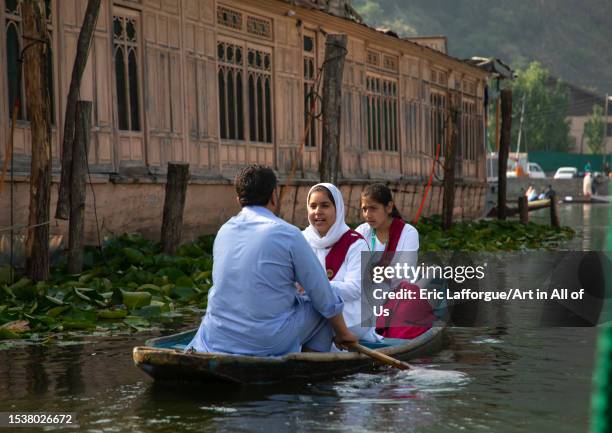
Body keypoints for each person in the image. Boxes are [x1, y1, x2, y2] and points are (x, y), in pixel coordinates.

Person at [186, 165, 357, 356]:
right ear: (274, 196)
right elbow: (323, 294)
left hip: (214, 336)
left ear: (238, 200)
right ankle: (308, 373)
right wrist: (343, 334)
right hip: (265, 341)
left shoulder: (223, 231)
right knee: (320, 309)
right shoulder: (288, 234)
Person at [302, 183, 379, 343]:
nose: (318, 212)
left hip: (351, 318)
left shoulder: (356, 244)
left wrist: (314, 286)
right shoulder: (302, 239)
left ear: (338, 208)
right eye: (313, 206)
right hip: (312, 312)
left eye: (325, 205)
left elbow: (355, 290)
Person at [356, 183, 435, 339]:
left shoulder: (408, 232)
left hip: (397, 294)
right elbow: (352, 267)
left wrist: (369, 273)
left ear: (389, 207)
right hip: (367, 292)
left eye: (373, 208)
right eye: (364, 209)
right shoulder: (362, 231)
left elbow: (404, 274)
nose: (367, 214)